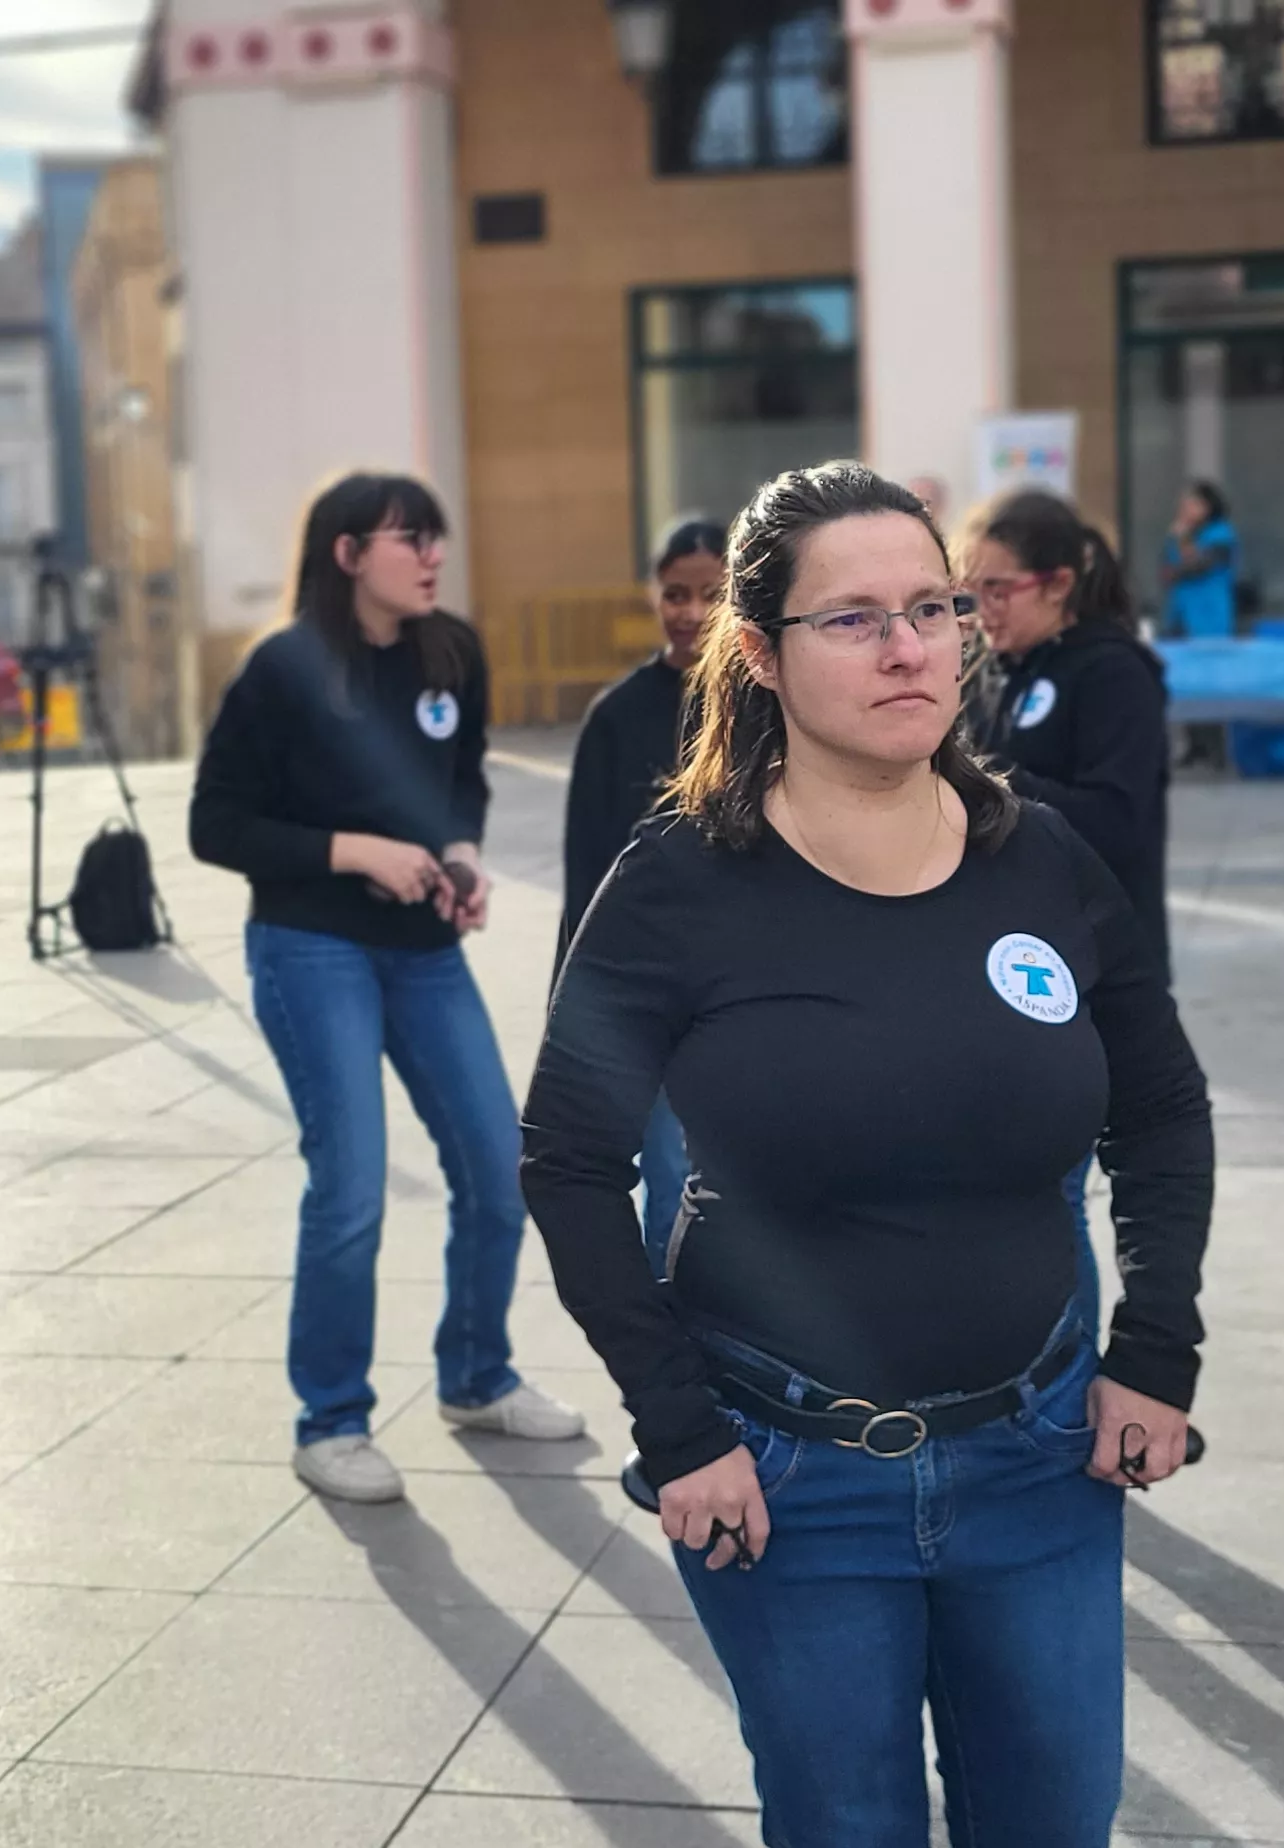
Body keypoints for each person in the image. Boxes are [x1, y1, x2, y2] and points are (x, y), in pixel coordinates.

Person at [521, 461, 1215, 1845]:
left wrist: (1157, 1350)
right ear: (761, 655)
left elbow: (1161, 1107)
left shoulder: (1045, 861)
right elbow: (569, 1160)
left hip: (1041, 1453)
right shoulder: (675, 885)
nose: (908, 645)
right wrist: (680, 1428)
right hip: (783, 1482)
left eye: (934, 606)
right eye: (852, 618)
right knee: (847, 1825)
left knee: (1058, 1817)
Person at [187, 469, 586, 1505]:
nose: (431, 557)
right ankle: (331, 1420)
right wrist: (357, 850)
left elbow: (463, 783)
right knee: (353, 1186)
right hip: (311, 948)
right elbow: (215, 826)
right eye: (409, 539)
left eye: (435, 540)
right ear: (347, 553)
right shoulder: (281, 670)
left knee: (501, 1171)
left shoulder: (449, 653)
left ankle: (475, 1377)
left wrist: (458, 853)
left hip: (423, 952)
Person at [560, 516, 723, 1260]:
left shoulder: (777, 705)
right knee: (672, 1187)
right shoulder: (617, 717)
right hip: (655, 999)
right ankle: (675, 1366)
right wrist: (579, 1019)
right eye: (674, 594)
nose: (689, 612)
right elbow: (587, 875)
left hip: (752, 988)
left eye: (710, 595)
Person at [963, 488, 1174, 973]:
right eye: (971, 592)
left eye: (998, 590)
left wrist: (982, 777)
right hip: (1014, 948)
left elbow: (1115, 824)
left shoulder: (1114, 673)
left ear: (1057, 585)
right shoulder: (989, 669)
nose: (982, 610)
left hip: (1104, 954)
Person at [1163, 482, 1239, 640]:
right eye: (1184, 505)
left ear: (1207, 506)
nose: (1186, 510)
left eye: (1193, 504)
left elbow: (1197, 566)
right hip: (1181, 616)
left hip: (1209, 617)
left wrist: (1183, 538)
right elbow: (1167, 572)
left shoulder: (1220, 534)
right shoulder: (1178, 536)